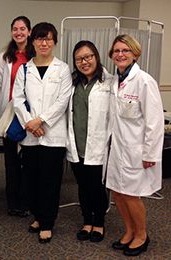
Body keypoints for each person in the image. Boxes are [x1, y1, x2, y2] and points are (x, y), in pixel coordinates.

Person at [13, 22, 71, 244]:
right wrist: (30, 123)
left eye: (48, 39)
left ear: (54, 41)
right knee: (33, 179)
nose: (43, 43)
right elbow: (18, 100)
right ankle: (37, 216)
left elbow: (62, 101)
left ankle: (47, 222)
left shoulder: (63, 69)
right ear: (33, 41)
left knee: (50, 181)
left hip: (52, 134)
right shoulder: (24, 69)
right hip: (30, 135)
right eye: (39, 38)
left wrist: (41, 121)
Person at [105, 34, 163, 257]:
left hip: (136, 151)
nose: (120, 54)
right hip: (117, 149)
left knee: (131, 195)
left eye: (125, 50)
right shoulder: (113, 81)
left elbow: (154, 122)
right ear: (112, 55)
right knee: (117, 192)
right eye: (117, 51)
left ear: (135, 54)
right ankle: (129, 231)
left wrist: (150, 153)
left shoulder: (144, 81)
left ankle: (141, 234)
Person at [66, 41, 113, 242]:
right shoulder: (71, 82)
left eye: (88, 57)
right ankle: (87, 220)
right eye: (79, 59)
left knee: (96, 186)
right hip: (76, 145)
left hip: (98, 146)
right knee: (82, 186)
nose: (84, 62)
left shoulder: (109, 82)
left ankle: (99, 222)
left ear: (96, 57)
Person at [0, 16, 34, 217]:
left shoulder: (35, 55)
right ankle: (13, 203)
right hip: (9, 113)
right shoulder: (5, 57)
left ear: (29, 31)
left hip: (29, 113)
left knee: (27, 160)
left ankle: (26, 201)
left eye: (22, 29)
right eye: (15, 29)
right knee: (10, 161)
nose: (18, 32)